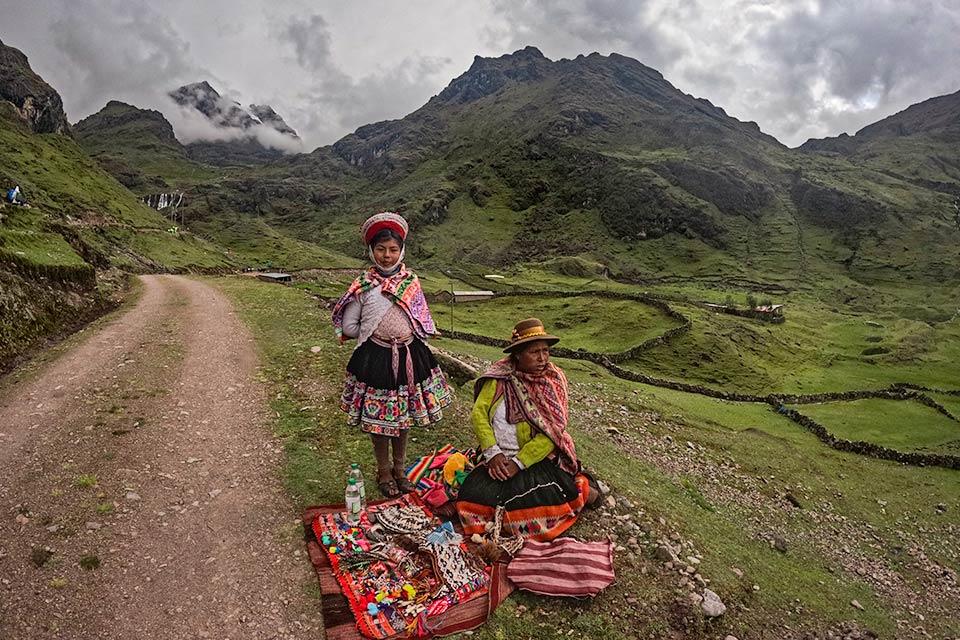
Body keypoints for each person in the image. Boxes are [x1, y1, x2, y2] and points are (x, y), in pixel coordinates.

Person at [332, 212, 453, 498]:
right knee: (380, 421)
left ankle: (400, 470)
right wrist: (372, 328)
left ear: (401, 251)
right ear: (371, 251)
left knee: (403, 419)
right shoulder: (364, 285)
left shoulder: (411, 282)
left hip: (410, 356)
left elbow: (420, 316)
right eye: (381, 249)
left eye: (393, 250)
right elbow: (349, 325)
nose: (387, 255)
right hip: (378, 359)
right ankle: (384, 471)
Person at [456, 318, 599, 541]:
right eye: (535, 352)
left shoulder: (552, 382)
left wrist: (518, 463)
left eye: (545, 351)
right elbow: (479, 414)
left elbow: (554, 432)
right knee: (469, 497)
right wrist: (493, 453)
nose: (542, 358)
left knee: (537, 500)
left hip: (535, 459)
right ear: (518, 354)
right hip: (498, 457)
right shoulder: (499, 379)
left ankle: (584, 491)